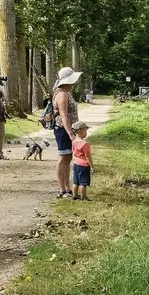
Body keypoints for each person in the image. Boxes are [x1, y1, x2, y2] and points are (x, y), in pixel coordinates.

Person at [47, 66, 81, 199]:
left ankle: (67, 187)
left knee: (68, 158)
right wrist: (71, 134)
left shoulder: (66, 93)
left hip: (69, 129)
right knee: (63, 158)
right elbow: (64, 116)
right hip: (63, 130)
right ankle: (62, 189)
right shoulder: (61, 94)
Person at [69, 122, 94, 199]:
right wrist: (92, 166)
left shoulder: (74, 141)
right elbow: (88, 156)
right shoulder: (85, 144)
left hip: (76, 164)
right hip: (84, 165)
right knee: (83, 183)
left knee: (76, 181)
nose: (86, 133)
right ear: (82, 131)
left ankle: (75, 195)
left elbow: (73, 152)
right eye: (86, 131)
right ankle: (84, 196)